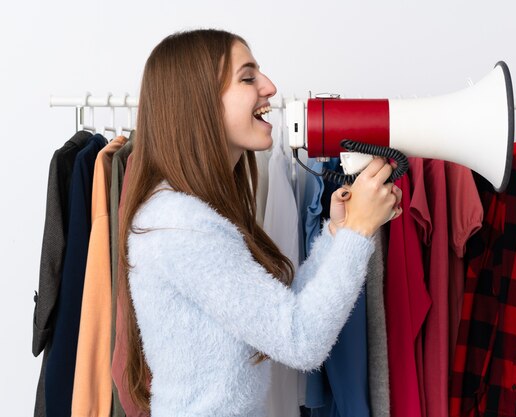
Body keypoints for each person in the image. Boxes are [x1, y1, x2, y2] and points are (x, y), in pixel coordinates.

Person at [118, 28, 402, 417]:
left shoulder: (189, 213)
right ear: (198, 103)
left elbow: (283, 314)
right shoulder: (180, 225)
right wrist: (359, 231)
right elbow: (300, 340)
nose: (269, 87)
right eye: (248, 77)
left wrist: (338, 233)